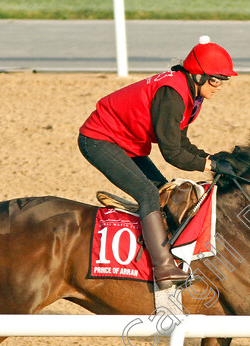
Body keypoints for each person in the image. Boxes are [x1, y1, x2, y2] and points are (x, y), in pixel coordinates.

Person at [78, 36, 238, 287]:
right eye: (216, 80)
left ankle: (170, 253)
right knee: (147, 194)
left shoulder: (190, 93)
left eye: (223, 81)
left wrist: (210, 158)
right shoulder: (173, 94)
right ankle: (163, 267)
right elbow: (173, 153)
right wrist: (211, 166)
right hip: (99, 140)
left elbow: (181, 142)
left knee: (164, 192)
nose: (219, 87)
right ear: (198, 75)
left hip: (124, 142)